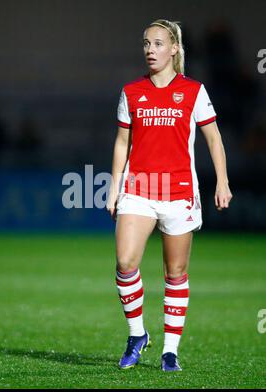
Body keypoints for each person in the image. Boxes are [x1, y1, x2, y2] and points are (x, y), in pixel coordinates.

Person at [106, 19, 233, 371]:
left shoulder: (194, 91)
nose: (150, 50)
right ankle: (137, 334)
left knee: (175, 273)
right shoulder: (131, 91)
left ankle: (170, 351)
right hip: (139, 189)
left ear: (174, 49)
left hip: (179, 192)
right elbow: (122, 143)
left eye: (158, 43)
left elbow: (214, 139)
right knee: (125, 262)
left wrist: (222, 181)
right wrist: (114, 188)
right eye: (146, 43)